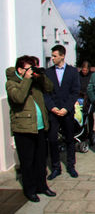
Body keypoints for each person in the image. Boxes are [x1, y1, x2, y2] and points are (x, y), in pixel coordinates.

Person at [6, 55, 56, 202]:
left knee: (41, 160)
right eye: (29, 68)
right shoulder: (11, 83)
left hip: (40, 127)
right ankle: (30, 189)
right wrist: (27, 79)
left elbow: (49, 87)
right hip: (23, 129)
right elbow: (19, 98)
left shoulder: (34, 80)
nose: (31, 71)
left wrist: (39, 76)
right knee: (27, 162)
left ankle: (42, 186)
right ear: (20, 69)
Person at [44, 45, 80, 180]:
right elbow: (45, 93)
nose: (52, 58)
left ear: (62, 56)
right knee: (52, 140)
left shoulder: (72, 72)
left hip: (67, 111)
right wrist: (52, 107)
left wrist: (66, 108)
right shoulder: (48, 73)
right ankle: (55, 167)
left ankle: (71, 165)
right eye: (52, 56)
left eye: (54, 56)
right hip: (53, 112)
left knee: (69, 139)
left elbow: (75, 91)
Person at [79, 61, 95, 145]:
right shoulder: (78, 75)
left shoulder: (92, 76)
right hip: (80, 98)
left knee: (89, 116)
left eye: (86, 70)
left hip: (89, 100)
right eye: (83, 70)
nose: (84, 71)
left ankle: (90, 132)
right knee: (81, 116)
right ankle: (82, 132)